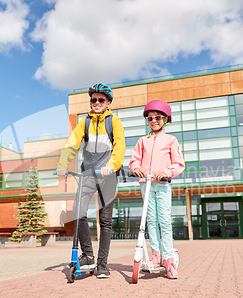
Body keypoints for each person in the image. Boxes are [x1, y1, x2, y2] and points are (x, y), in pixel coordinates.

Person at [56, 83, 125, 279]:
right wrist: (63, 164)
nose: (96, 103)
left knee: (105, 221)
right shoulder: (84, 122)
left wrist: (111, 165)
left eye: (101, 100)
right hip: (87, 175)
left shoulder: (114, 121)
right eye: (93, 99)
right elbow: (72, 145)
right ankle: (87, 254)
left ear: (108, 103)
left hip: (108, 175)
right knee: (78, 212)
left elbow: (120, 146)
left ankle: (102, 264)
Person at [128, 100, 185, 279]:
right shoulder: (142, 141)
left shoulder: (171, 140)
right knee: (150, 220)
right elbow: (134, 159)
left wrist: (166, 172)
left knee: (164, 221)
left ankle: (168, 257)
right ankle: (156, 254)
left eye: (158, 117)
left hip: (162, 184)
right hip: (146, 184)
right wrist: (135, 167)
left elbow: (179, 163)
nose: (154, 121)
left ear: (166, 119)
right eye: (150, 118)